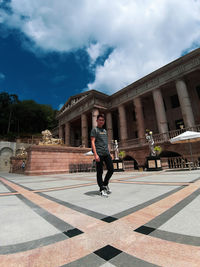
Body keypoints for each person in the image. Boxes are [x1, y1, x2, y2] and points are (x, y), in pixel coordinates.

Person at [91, 114, 114, 197]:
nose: (101, 121)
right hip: (99, 153)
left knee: (111, 169)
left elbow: (106, 142)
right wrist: (95, 154)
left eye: (102, 120)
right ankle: (101, 189)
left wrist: (109, 152)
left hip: (106, 153)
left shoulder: (104, 131)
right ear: (97, 121)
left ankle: (105, 184)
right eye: (100, 120)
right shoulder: (95, 130)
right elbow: (93, 142)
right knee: (100, 172)